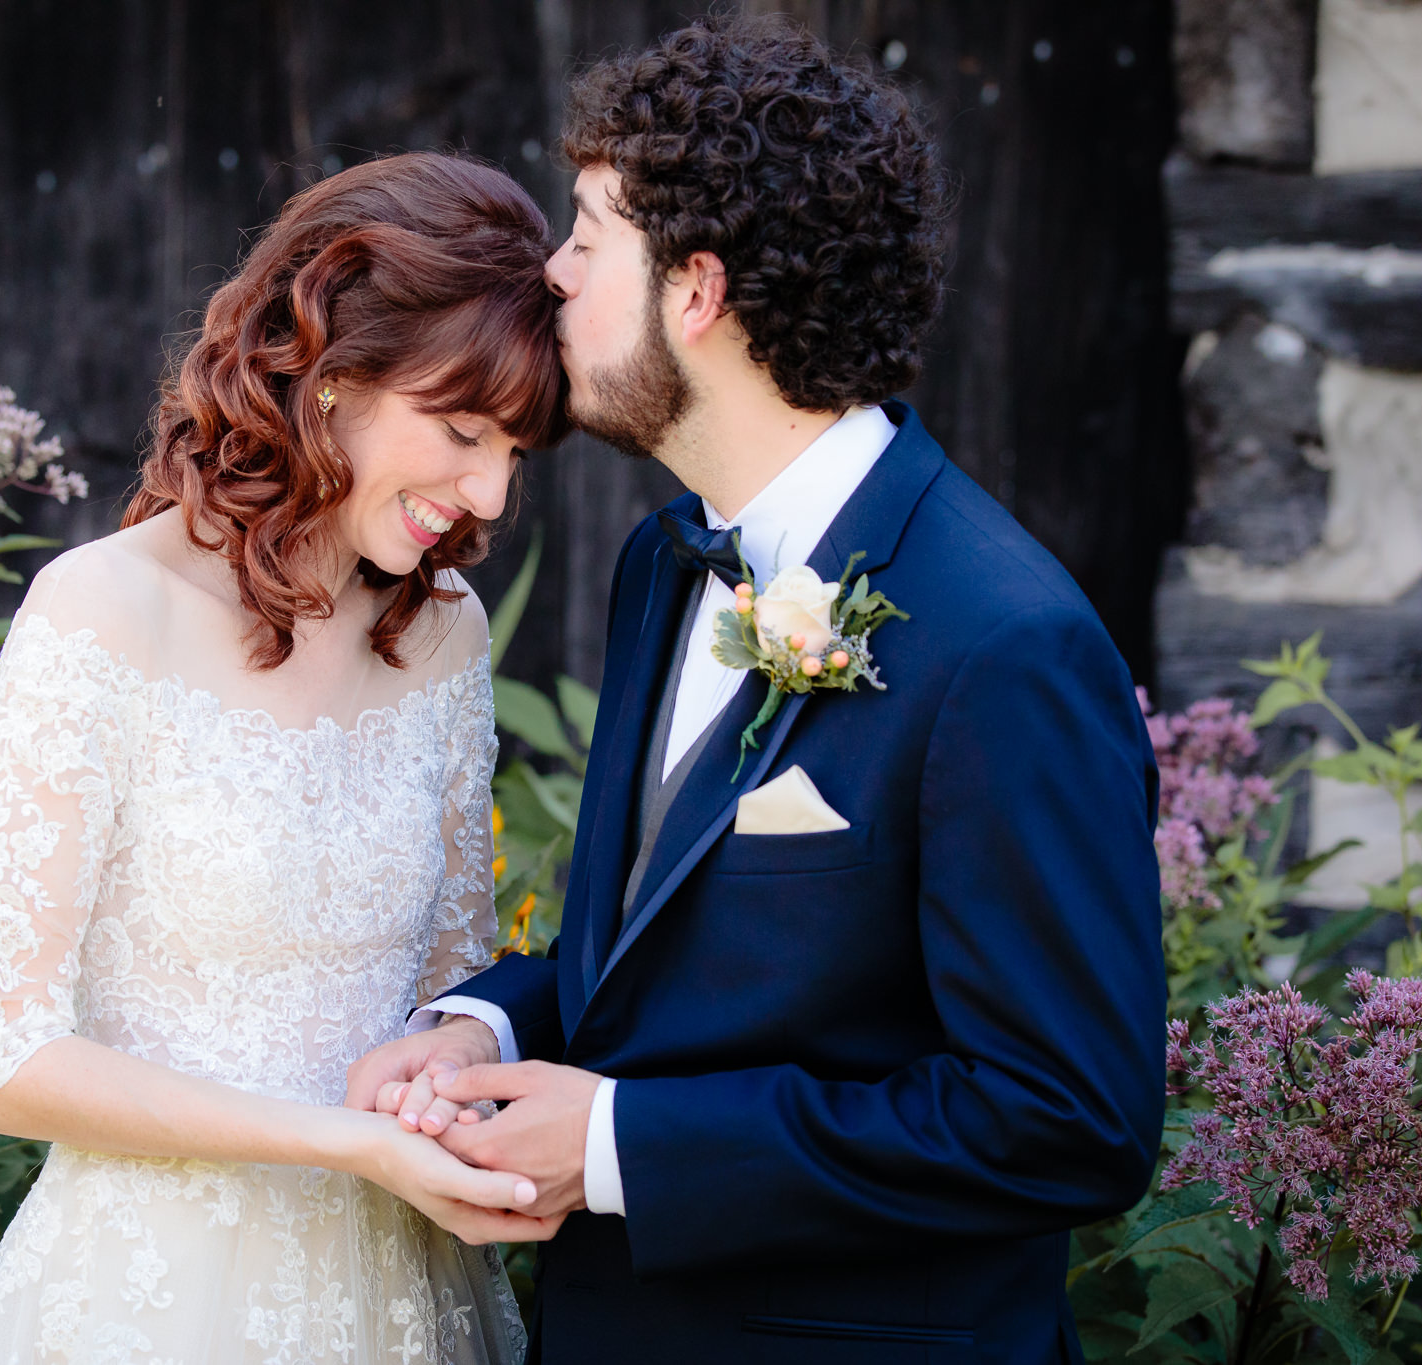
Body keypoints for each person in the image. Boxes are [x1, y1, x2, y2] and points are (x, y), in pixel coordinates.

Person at [347, 18, 1165, 1363]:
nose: (551, 272)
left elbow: (1066, 1120)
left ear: (698, 294)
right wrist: (482, 1021)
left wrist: (617, 1146)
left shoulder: (1004, 646)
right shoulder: (664, 560)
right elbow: (683, 962)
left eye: (588, 236)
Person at [0, 151, 569, 1364]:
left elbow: (450, 982)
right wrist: (345, 1142)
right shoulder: (99, 613)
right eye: (460, 429)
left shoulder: (442, 638)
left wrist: (444, 1080)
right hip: (154, 1297)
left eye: (516, 453)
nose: (487, 492)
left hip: (403, 1290)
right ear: (329, 375)